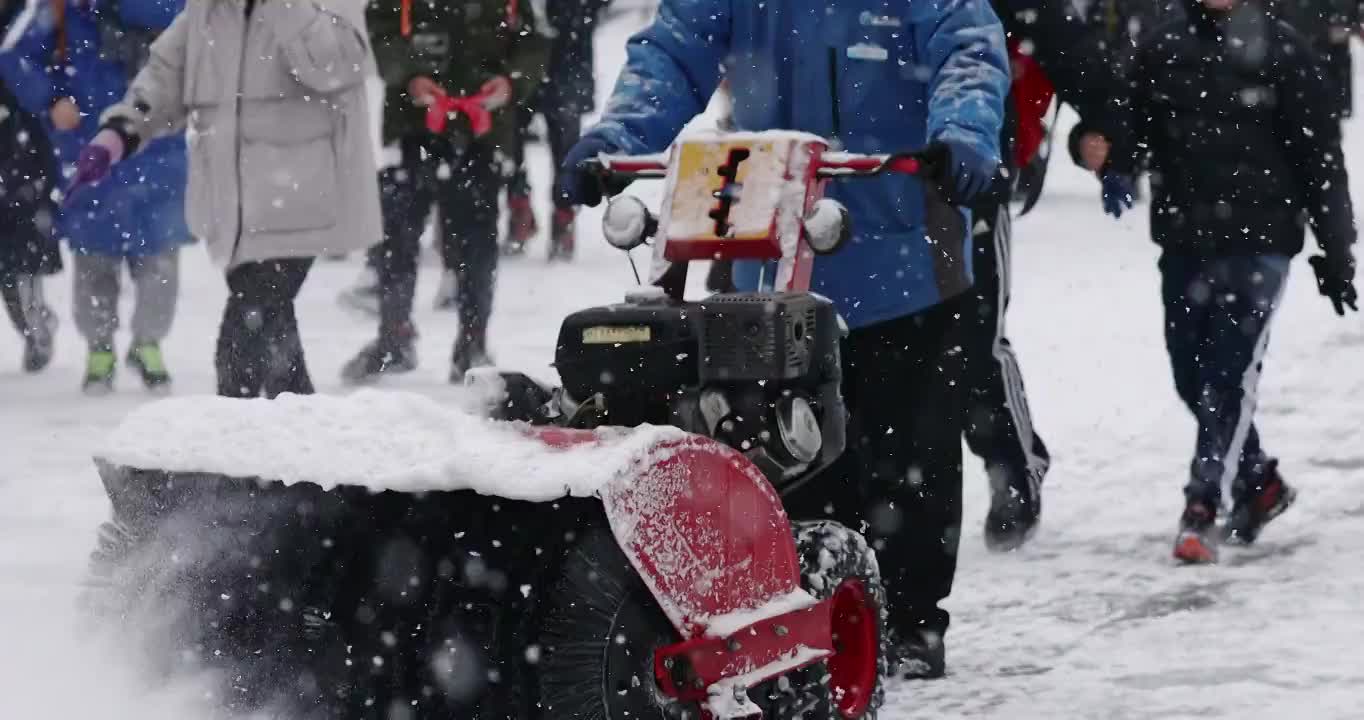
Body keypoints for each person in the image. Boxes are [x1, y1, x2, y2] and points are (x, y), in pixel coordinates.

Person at [559, 0, 1010, 679]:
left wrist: (965, 133)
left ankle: (913, 620)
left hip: (902, 233)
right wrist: (616, 139)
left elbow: (967, 47)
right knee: (771, 446)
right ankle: (795, 608)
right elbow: (674, 51)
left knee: (909, 444)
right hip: (765, 248)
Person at [1101, 0, 1357, 564]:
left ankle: (1202, 506)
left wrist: (1338, 247)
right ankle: (1259, 481)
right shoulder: (1161, 50)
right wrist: (1108, 157)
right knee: (1189, 374)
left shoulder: (1286, 52)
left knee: (1228, 374)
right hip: (1186, 238)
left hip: (1261, 240)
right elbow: (1129, 129)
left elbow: (1320, 158)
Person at [69, 0, 380, 398]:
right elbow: (168, 72)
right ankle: (300, 436)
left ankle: (231, 446)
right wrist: (123, 130)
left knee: (242, 347)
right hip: (235, 208)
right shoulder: (210, 7)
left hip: (301, 200)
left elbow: (338, 62)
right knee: (276, 349)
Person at [964, 0, 1124, 551]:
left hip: (971, 176)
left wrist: (1104, 132)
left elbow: (1085, 63)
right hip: (870, 176)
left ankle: (1014, 467)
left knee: (971, 334)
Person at [340, 0, 547, 384]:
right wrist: (408, 75)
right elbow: (382, 25)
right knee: (396, 234)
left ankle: (472, 342)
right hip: (412, 123)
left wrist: (512, 82)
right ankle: (393, 335)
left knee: (477, 238)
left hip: (483, 128)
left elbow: (533, 40)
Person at [4, 0, 190, 393]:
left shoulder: (172, 9)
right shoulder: (61, 12)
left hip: (153, 152)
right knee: (95, 265)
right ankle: (100, 347)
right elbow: (15, 58)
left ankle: (147, 342)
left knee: (158, 264)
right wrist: (51, 99)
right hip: (90, 155)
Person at [501, 0, 609, 260]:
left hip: (568, 51)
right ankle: (520, 209)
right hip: (518, 53)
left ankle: (562, 219)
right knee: (506, 137)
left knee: (565, 145)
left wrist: (582, 13)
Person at [0, 10, 61, 373]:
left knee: (18, 275)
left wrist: (40, 180)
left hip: (21, 174)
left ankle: (36, 330)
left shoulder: (34, 20)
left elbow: (43, 95)